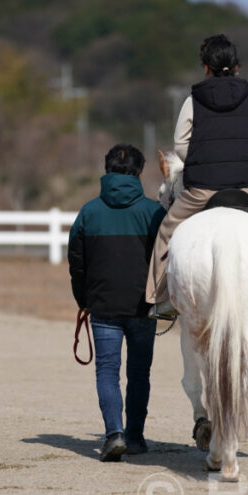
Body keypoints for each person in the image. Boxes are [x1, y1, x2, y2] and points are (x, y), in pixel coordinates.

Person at [145, 34, 248, 320]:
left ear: (206, 67)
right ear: (236, 66)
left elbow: (181, 146)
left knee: (166, 233)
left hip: (202, 189)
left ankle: (159, 298)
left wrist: (201, 159)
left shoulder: (192, 100)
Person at [68, 144, 166, 461]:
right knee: (139, 374)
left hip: (103, 308)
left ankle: (114, 434)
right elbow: (167, 261)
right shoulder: (155, 213)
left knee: (107, 372)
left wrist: (84, 299)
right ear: (139, 173)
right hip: (142, 307)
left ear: (107, 171)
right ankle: (135, 436)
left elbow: (76, 263)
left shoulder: (88, 212)